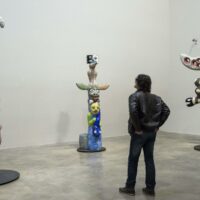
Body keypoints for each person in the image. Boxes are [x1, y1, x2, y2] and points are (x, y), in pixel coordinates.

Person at [119, 74, 170, 196]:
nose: (134, 82)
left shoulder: (134, 96)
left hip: (139, 133)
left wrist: (137, 128)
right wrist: (157, 125)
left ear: (138, 83)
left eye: (135, 81)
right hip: (151, 133)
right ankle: (150, 188)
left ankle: (130, 187)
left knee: (133, 160)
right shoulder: (157, 98)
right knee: (149, 159)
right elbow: (167, 110)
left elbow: (133, 111)